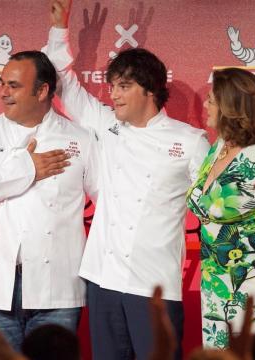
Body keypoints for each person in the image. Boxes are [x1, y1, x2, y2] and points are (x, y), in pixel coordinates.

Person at [44, 2, 210, 359]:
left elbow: (214, 205)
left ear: (150, 90)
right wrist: (60, 28)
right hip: (103, 277)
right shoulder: (106, 123)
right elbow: (63, 83)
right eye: (112, 86)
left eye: (123, 86)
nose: (113, 94)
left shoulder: (190, 141)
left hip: (155, 283)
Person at [0, 50, 98, 350]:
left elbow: (108, 203)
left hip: (58, 288)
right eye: (2, 83)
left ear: (43, 90)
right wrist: (27, 168)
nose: (3, 93)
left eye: (14, 86)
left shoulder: (80, 139)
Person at [186, 67, 255, 348]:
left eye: (211, 100)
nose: (204, 105)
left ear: (230, 108)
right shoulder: (220, 146)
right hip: (217, 281)